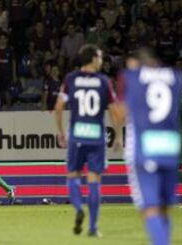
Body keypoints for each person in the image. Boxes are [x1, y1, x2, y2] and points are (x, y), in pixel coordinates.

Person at [117, 49, 182, 245]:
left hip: (146, 147)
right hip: (170, 147)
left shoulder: (132, 78)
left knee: (151, 207)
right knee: (164, 208)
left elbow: (122, 111)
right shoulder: (176, 77)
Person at [54, 44, 122, 237]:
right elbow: (115, 113)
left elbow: (58, 107)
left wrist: (60, 132)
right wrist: (118, 136)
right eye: (99, 57)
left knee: (73, 175)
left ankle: (78, 208)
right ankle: (92, 227)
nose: (101, 60)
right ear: (92, 59)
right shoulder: (103, 81)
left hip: (76, 134)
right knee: (94, 180)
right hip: (96, 137)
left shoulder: (70, 79)